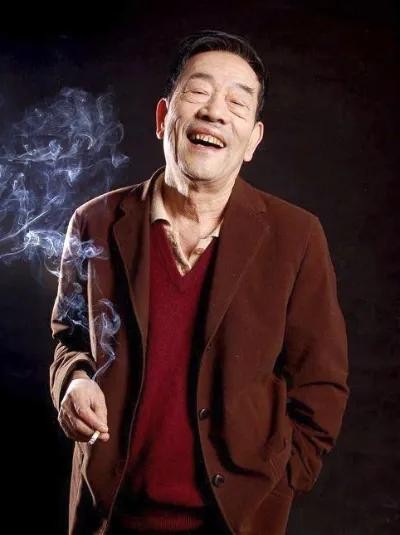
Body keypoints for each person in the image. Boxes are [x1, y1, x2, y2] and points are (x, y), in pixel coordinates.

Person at [50, 30, 349, 535]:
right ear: (163, 117)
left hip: (237, 523)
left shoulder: (297, 237)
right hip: (110, 517)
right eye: (198, 92)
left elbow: (321, 384)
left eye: (237, 102)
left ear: (252, 140)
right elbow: (69, 340)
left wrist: (281, 484)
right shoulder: (94, 222)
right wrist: (74, 381)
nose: (214, 112)